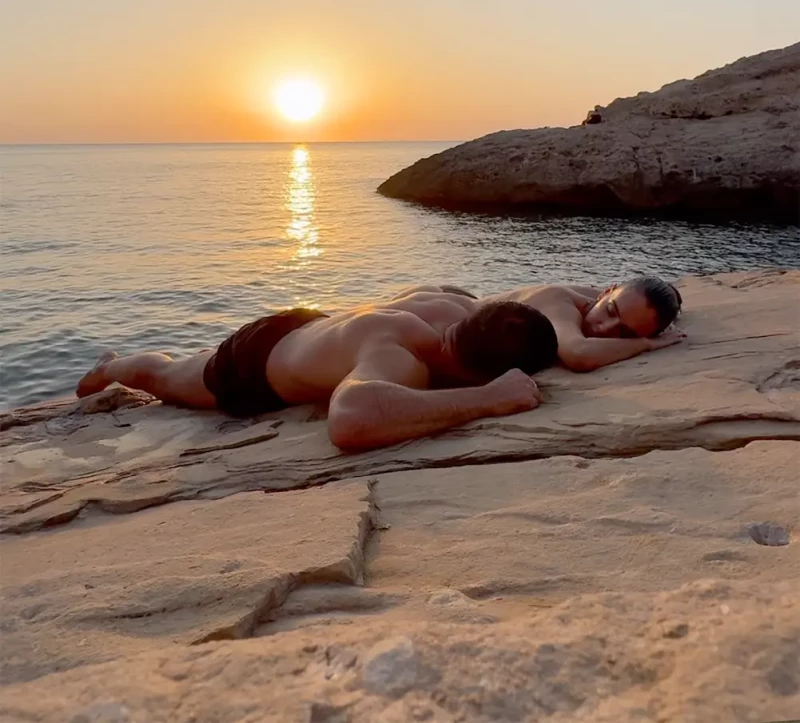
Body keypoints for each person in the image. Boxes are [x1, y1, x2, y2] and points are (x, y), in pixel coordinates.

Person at [76, 287, 559, 452]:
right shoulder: (399, 360)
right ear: (476, 373)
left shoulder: (450, 309)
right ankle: (111, 367)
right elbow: (349, 420)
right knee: (165, 378)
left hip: (312, 325)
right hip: (253, 365)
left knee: (181, 366)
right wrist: (487, 400)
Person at [487, 275, 684, 372]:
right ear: (607, 291)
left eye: (623, 333)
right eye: (610, 311)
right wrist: (645, 343)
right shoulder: (559, 302)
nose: (603, 328)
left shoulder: (598, 299)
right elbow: (578, 354)